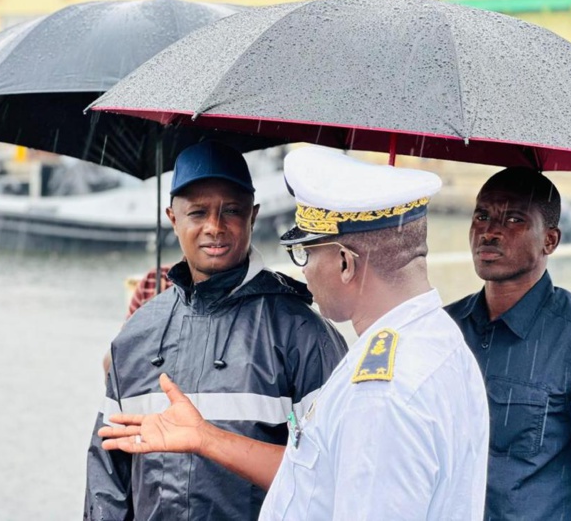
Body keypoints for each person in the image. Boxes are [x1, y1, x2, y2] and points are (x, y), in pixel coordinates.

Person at [99, 146, 490, 520]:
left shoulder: (379, 393)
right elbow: (316, 481)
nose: (302, 271)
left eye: (306, 253)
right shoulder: (442, 345)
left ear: (344, 262)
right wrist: (205, 437)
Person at [84, 140, 348, 520]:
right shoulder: (135, 334)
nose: (215, 227)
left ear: (253, 216)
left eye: (231, 211)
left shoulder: (303, 333)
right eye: (198, 213)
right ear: (172, 218)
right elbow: (106, 478)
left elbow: (338, 475)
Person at [444, 167, 571, 520]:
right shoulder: (443, 331)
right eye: (482, 215)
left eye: (513, 219)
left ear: (550, 241)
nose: (489, 231)